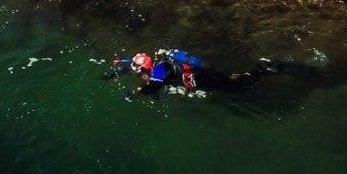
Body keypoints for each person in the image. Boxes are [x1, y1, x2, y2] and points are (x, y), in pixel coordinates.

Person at [107, 48, 285, 98]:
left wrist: (136, 92)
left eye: (139, 71)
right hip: (200, 71)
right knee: (228, 78)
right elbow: (133, 63)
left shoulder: (159, 70)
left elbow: (153, 87)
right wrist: (117, 71)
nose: (137, 72)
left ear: (145, 69)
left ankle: (263, 70)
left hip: (202, 78)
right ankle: (254, 70)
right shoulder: (156, 61)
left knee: (239, 88)